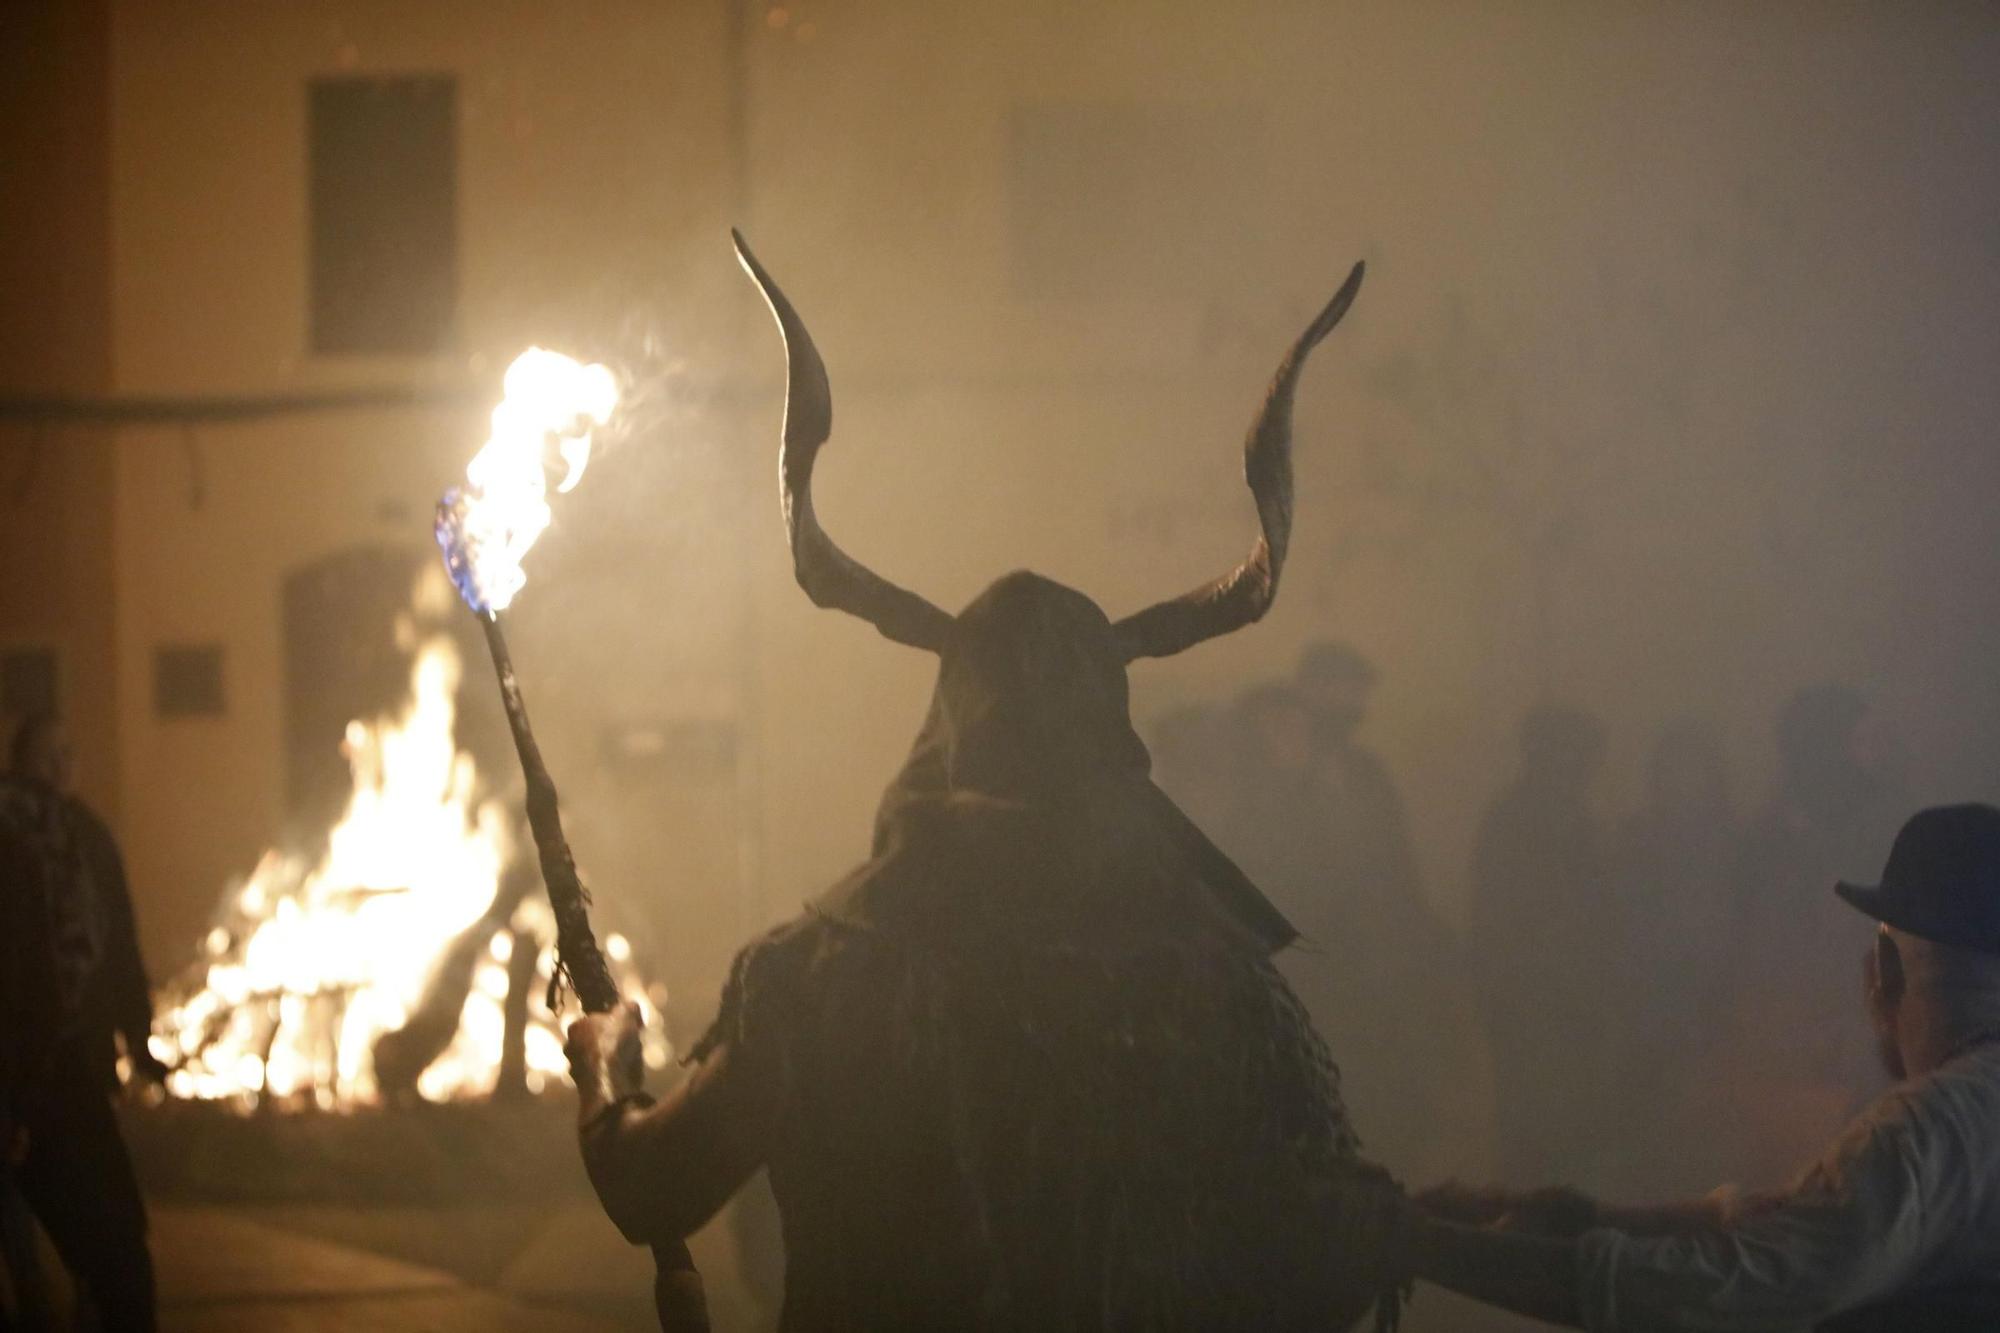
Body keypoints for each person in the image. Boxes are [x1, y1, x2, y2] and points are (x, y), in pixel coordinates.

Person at [562, 234, 1404, 1329]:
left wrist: (601, 1059)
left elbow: (650, 1189)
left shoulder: (818, 975)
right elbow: (1324, 1260)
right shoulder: (1218, 987)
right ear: (1110, 738)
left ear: (949, 731)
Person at [1401, 803, 2000, 1332]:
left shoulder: (1932, 1132)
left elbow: (1734, 1288)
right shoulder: (1956, 1124)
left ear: (1883, 971)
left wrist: (1412, 1245)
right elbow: (1794, 1226)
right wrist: (1577, 1217)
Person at [1, 716, 159, 1331]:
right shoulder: (16, 841)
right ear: (21, 763)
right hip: (34, 1071)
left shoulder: (86, 838)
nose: (61, 768)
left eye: (70, 754)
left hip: (70, 1062)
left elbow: (119, 944)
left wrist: (137, 1037)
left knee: (111, 1237)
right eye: (48, 756)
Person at [1467, 704, 1624, 1187]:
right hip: (1531, 1000)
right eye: (1577, 754)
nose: (1585, 767)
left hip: (1569, 999)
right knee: (1533, 1123)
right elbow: (1504, 919)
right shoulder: (1516, 821)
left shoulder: (1571, 818)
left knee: (1569, 1120)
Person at [1607, 718, 1737, 1192]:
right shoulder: (1636, 841)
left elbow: (1739, 919)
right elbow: (1621, 924)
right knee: (1654, 1115)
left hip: (1716, 998)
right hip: (1652, 999)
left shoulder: (1732, 843)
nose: (1687, 783)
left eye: (1697, 771)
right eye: (1677, 771)